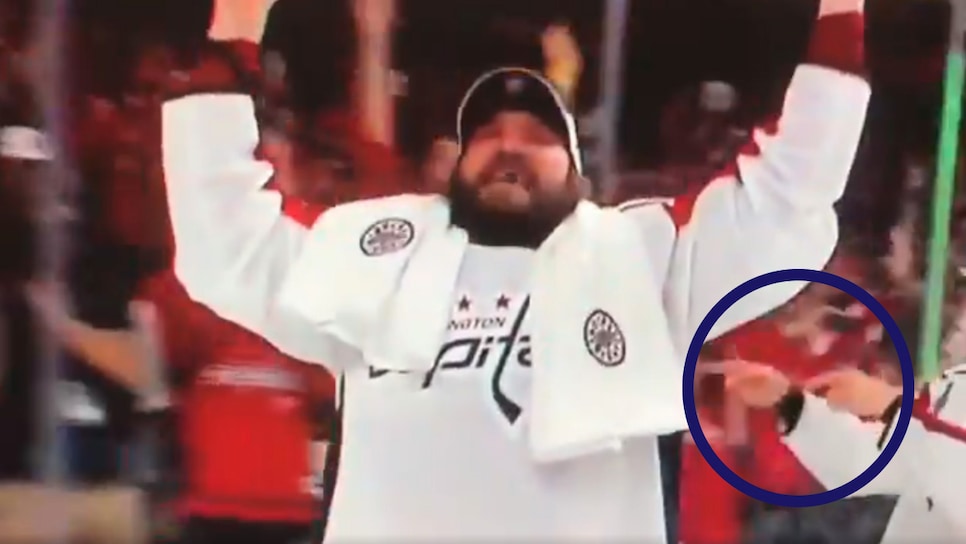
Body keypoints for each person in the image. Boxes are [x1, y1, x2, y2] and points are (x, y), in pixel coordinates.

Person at [160, 0, 869, 538]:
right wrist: (235, 30)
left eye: (537, 136)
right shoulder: (375, 257)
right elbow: (224, 241)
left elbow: (788, 197)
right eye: (489, 134)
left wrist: (843, 11)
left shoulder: (643, 258)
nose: (509, 146)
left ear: (578, 173)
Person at [724, 317, 966, 541]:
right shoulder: (957, 385)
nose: (959, 323)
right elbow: (870, 461)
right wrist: (791, 404)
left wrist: (893, 406)